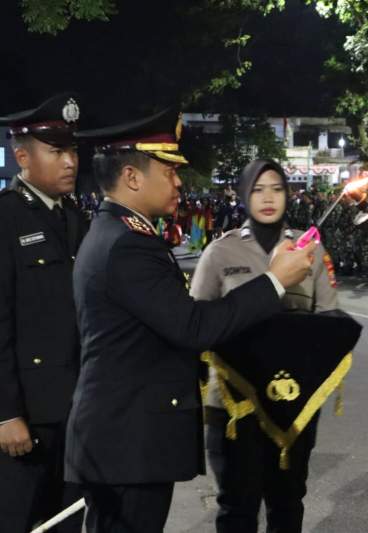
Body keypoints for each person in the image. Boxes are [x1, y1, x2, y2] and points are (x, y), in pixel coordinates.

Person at [66, 109, 316, 533]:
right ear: (132, 177)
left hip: (123, 438)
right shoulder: (128, 245)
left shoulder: (119, 233)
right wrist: (275, 281)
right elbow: (193, 326)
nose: (179, 181)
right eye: (168, 171)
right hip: (129, 443)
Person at [191, 159, 338, 533]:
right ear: (243, 196)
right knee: (237, 507)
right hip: (233, 409)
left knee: (287, 503)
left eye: (276, 188)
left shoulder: (310, 251)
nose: (268, 197)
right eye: (258, 189)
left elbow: (329, 320)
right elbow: (196, 324)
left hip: (292, 404)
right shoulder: (220, 253)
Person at [0, 94, 86, 532]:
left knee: (67, 523)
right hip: (27, 417)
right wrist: (6, 413)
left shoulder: (74, 217)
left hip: (75, 409)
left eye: (72, 150)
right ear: (21, 157)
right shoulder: (5, 218)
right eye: (57, 151)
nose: (70, 161)